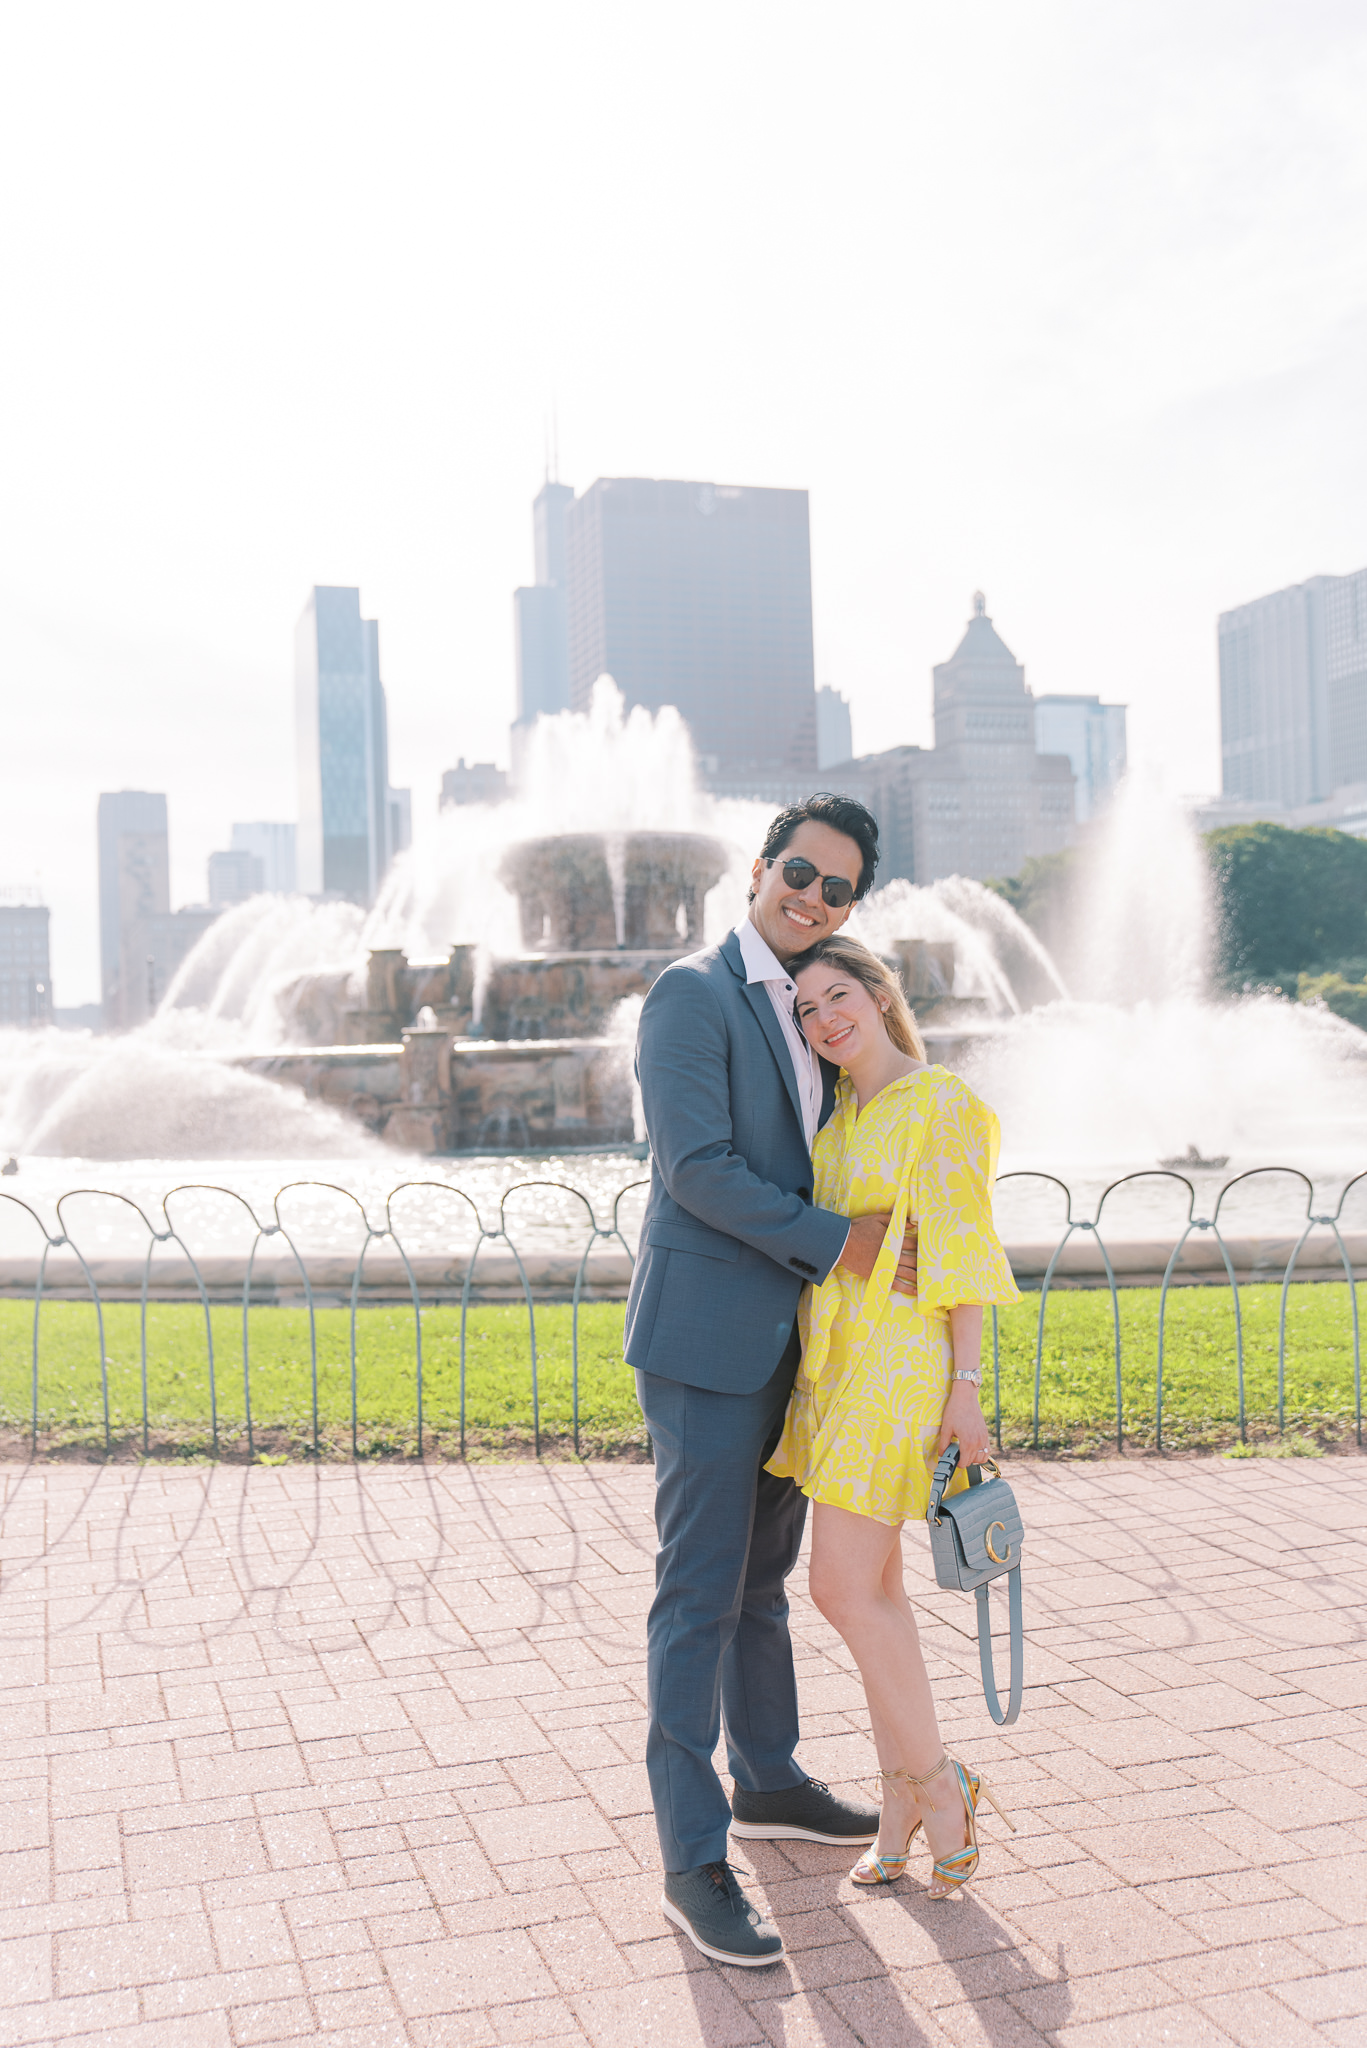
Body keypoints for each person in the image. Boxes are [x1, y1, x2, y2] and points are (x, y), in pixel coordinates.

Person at [625, 793, 917, 1968]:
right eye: (798, 870)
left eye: (836, 887)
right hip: (705, 1340)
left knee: (760, 1581)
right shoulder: (691, 993)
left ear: (852, 905)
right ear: (759, 868)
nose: (810, 894)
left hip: (797, 1349)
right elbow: (692, 1167)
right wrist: (843, 1241)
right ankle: (692, 1855)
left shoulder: (815, 1004)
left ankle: (771, 1779)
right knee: (696, 1592)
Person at [766, 932, 1020, 1897]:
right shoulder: (834, 1121)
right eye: (806, 1011)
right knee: (876, 1593)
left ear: (877, 993)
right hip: (837, 1367)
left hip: (904, 1364)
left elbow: (961, 1251)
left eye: (838, 996)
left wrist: (965, 1389)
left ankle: (940, 1784)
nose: (826, 1019)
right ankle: (899, 1801)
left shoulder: (939, 1102)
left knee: (836, 1587)